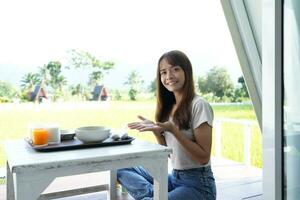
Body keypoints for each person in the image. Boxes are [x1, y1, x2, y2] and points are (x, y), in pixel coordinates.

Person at [117, 50, 216, 200]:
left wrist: (174, 131)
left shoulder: (199, 105)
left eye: (175, 69)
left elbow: (203, 157)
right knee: (120, 168)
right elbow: (171, 154)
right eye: (163, 72)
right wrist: (157, 132)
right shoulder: (170, 107)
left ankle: (155, 196)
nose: (168, 76)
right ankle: (154, 195)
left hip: (198, 185)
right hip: (175, 178)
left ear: (186, 72)